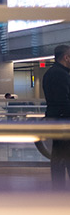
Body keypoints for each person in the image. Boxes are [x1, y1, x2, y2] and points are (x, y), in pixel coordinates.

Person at [42, 44, 70, 189]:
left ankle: (58, 189)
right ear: (66, 57)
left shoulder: (51, 73)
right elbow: (63, 102)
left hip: (56, 121)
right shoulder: (61, 75)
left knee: (59, 156)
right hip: (64, 122)